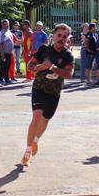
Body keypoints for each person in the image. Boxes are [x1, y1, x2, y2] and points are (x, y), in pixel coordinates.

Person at [22, 23, 75, 166]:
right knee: (36, 117)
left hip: (54, 92)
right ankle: (27, 152)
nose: (61, 39)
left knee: (45, 120)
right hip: (39, 88)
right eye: (59, 35)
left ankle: (35, 141)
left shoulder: (67, 55)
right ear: (53, 35)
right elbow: (30, 66)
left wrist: (53, 67)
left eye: (64, 37)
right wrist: (37, 68)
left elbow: (69, 74)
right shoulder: (43, 50)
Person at [0, 19, 16, 85]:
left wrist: (12, 52)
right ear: (2, 25)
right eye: (5, 24)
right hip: (3, 52)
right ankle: (0, 79)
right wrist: (2, 53)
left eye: (7, 23)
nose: (6, 25)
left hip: (9, 52)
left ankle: (7, 79)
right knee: (2, 66)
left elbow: (11, 42)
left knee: (7, 66)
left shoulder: (9, 32)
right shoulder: (2, 32)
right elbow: (0, 44)